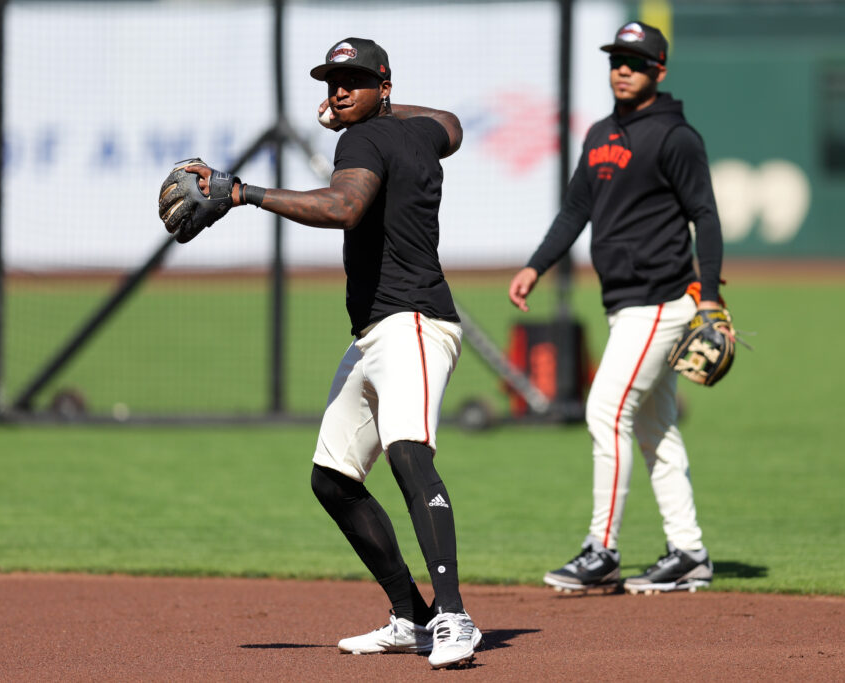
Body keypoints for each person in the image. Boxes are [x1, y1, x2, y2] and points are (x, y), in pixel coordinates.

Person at [182, 37, 480, 668]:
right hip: (377, 331)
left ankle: (454, 615)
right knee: (334, 479)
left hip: (415, 323)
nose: (338, 89)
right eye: (331, 81)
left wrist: (243, 193)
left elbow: (344, 207)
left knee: (407, 454)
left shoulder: (361, 141)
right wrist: (383, 105)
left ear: (384, 85)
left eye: (353, 80)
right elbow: (452, 125)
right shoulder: (420, 132)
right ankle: (412, 615)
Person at [508, 22, 726, 595]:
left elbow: (704, 213)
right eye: (616, 60)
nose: (623, 69)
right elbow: (576, 209)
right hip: (625, 304)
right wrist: (536, 264)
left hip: (662, 300)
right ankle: (689, 552)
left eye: (635, 61)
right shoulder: (602, 133)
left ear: (659, 70)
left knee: (604, 411)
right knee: (657, 431)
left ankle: (601, 549)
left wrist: (712, 292)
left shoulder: (676, 137)